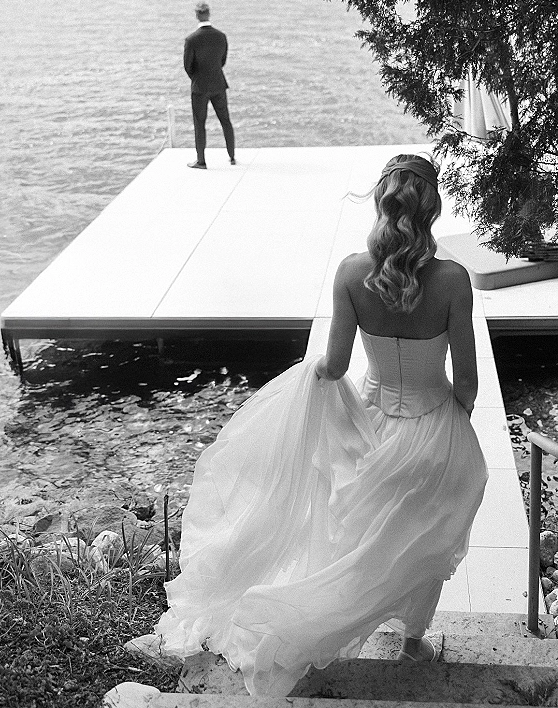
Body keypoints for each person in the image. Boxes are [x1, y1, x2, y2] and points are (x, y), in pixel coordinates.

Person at [154, 153, 488, 696]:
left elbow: (332, 367)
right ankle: (411, 637)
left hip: (371, 423)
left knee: (358, 535)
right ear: (431, 209)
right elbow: (468, 383)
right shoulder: (453, 281)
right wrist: (453, 424)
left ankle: (325, 616)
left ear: (382, 204)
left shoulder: (353, 274)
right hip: (432, 426)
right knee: (426, 530)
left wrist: (299, 394)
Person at [184, 1, 236, 169]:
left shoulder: (191, 39)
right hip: (218, 84)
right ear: (209, 14)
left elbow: (187, 66)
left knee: (200, 124)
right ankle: (232, 156)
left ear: (197, 15)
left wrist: (197, 77)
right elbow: (222, 61)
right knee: (225, 120)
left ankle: (201, 161)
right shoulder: (221, 36)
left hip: (200, 87)